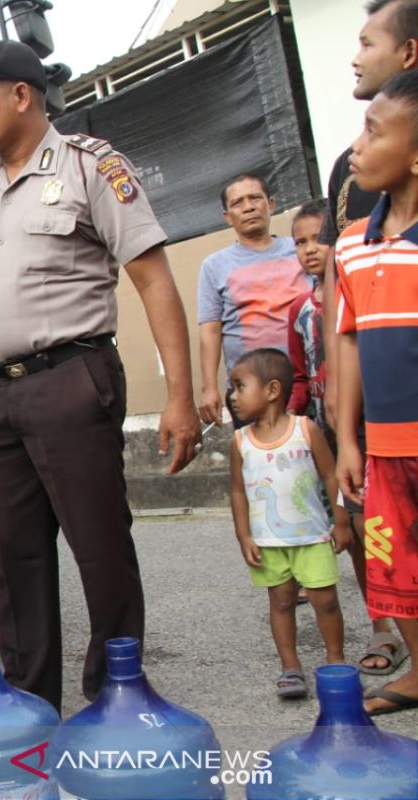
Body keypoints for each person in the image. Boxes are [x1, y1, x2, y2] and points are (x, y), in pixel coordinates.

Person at [0, 40, 201, 712]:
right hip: (0, 392)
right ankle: (29, 703)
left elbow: (152, 278)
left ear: (21, 96)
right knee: (12, 559)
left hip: (73, 378)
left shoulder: (90, 166)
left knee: (100, 549)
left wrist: (180, 396)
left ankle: (117, 700)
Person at [319, 0, 418, 677]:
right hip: (383, 445)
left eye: (374, 133)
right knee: (398, 567)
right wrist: (348, 437)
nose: (357, 147)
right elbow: (347, 336)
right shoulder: (354, 243)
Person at [228, 349, 350, 699]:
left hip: (312, 536)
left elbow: (331, 476)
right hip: (269, 542)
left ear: (271, 390)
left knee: (324, 600)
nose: (233, 397)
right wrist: (243, 535)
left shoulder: (305, 429)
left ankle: (335, 662)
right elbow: (238, 491)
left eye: (240, 386)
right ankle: (290, 667)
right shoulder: (240, 442)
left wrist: (340, 522)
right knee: (280, 602)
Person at [197, 175, 309, 429]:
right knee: (259, 464)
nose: (248, 207)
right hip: (250, 390)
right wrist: (209, 388)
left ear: (270, 204)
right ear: (227, 216)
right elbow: (210, 330)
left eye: (255, 198)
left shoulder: (301, 249)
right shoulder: (214, 266)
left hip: (307, 380)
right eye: (238, 203)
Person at [286, 201, 332, 439]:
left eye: (319, 238)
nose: (310, 249)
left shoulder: (354, 296)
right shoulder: (299, 309)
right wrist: (291, 411)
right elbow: (300, 376)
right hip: (325, 429)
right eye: (301, 242)